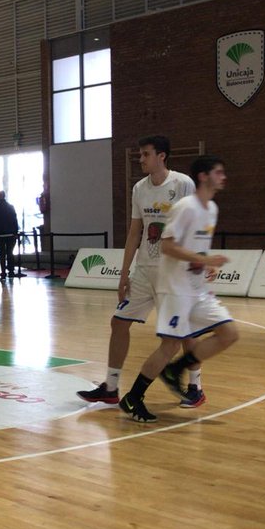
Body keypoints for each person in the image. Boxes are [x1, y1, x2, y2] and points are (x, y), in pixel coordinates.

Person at [77, 135, 204, 407]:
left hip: (174, 272)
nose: (141, 159)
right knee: (118, 322)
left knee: (182, 331)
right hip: (144, 270)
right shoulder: (139, 188)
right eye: (141, 154)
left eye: (146, 154)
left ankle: (196, 386)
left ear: (161, 156)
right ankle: (111, 387)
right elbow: (135, 231)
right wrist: (123, 274)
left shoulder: (183, 184)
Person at [119, 155, 239, 423]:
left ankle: (175, 370)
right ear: (204, 176)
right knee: (170, 345)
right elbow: (167, 246)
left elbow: (196, 245)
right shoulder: (185, 207)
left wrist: (205, 263)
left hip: (198, 288)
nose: (223, 177)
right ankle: (133, 398)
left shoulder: (212, 208)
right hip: (175, 288)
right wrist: (204, 259)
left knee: (229, 333)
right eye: (218, 172)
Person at [0, 191, 19, 279]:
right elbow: (14, 220)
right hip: (10, 234)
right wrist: (15, 232)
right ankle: (11, 271)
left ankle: (3, 272)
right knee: (10, 253)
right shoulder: (10, 207)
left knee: (2, 254)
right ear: (4, 196)